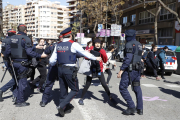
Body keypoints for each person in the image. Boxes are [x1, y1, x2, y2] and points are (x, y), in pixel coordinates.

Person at [49, 27, 102, 117]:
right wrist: (96, 58)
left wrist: (55, 64)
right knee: (75, 89)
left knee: (63, 89)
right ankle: (61, 106)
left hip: (60, 69)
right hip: (69, 70)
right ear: (70, 36)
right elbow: (85, 53)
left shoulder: (58, 45)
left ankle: (63, 109)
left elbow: (51, 61)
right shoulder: (73, 44)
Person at [4, 24, 47, 107]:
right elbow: (29, 52)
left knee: (16, 81)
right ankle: (20, 101)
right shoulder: (25, 38)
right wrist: (40, 56)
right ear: (25, 30)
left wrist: (10, 59)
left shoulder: (12, 38)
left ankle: (16, 97)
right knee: (22, 82)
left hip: (13, 63)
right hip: (22, 64)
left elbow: (6, 52)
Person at [78, 39, 116, 106]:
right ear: (94, 44)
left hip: (99, 70)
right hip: (91, 69)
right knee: (87, 84)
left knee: (104, 84)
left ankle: (110, 97)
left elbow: (105, 60)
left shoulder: (102, 50)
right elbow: (86, 57)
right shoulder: (91, 48)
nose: (97, 44)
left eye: (99, 43)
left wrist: (103, 54)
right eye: (96, 43)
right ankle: (81, 98)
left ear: (101, 44)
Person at [117, 29, 143, 115]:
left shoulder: (129, 44)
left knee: (122, 87)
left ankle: (131, 107)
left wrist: (121, 70)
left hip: (130, 70)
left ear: (128, 36)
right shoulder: (139, 44)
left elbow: (128, 58)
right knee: (137, 88)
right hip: (138, 70)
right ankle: (140, 108)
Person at [40, 34, 62, 107]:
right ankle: (62, 103)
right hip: (62, 68)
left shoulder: (53, 45)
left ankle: (44, 101)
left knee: (49, 84)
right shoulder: (68, 45)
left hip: (53, 66)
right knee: (63, 85)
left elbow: (45, 53)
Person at [0, 29, 17, 102]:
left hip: (6, 60)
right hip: (11, 61)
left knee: (15, 77)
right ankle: (2, 90)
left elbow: (2, 52)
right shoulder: (12, 40)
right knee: (16, 78)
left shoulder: (4, 40)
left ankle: (14, 94)